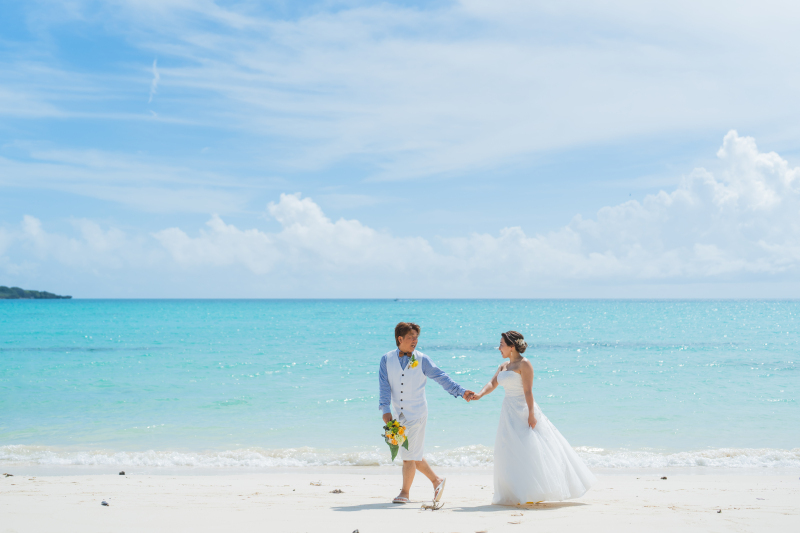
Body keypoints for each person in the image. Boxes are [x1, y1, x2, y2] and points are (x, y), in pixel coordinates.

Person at [472, 330, 596, 505]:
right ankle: (513, 493)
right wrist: (479, 394)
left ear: (512, 346)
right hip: (508, 411)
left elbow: (528, 391)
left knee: (529, 449)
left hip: (523, 410)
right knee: (509, 449)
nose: (499, 348)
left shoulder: (524, 364)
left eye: (501, 344)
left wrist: (531, 414)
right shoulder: (503, 366)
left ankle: (532, 492)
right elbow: (492, 383)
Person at [378, 321, 476, 504]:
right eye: (410, 337)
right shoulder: (386, 359)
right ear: (400, 338)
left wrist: (461, 392)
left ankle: (405, 493)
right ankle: (437, 480)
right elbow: (384, 386)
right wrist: (385, 409)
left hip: (417, 414)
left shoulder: (422, 359)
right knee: (412, 454)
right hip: (397, 416)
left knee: (408, 455)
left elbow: (441, 377)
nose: (415, 341)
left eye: (416, 337)